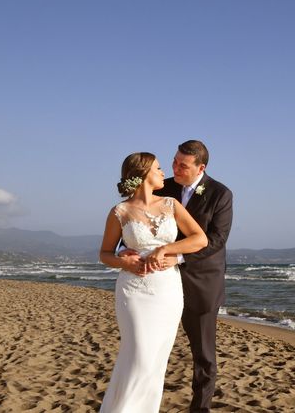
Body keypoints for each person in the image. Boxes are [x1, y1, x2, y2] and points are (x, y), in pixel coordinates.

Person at [98, 152, 207, 413]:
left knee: (155, 363)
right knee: (139, 357)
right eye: (158, 168)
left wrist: (165, 249)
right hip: (133, 291)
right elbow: (104, 254)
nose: (163, 173)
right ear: (145, 172)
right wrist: (124, 262)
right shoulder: (119, 211)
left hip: (167, 291)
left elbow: (199, 239)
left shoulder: (171, 204)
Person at [153, 140, 233, 413]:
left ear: (201, 167)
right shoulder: (164, 187)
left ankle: (200, 410)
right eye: (174, 161)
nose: (175, 168)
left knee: (203, 356)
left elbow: (217, 240)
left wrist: (178, 257)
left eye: (182, 165)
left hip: (201, 283)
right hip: (161, 283)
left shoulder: (220, 194)